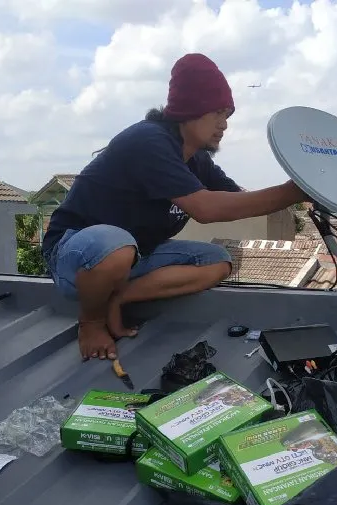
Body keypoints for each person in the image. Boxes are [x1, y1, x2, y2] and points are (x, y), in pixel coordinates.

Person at [42, 52, 308, 361]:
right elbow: (206, 209)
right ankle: (91, 321)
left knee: (217, 261)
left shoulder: (196, 159)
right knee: (115, 245)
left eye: (228, 115)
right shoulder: (148, 141)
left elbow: (238, 199)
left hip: (132, 258)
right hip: (76, 259)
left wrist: (304, 190)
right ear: (190, 110)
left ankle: (118, 300)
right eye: (218, 113)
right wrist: (291, 191)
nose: (224, 125)